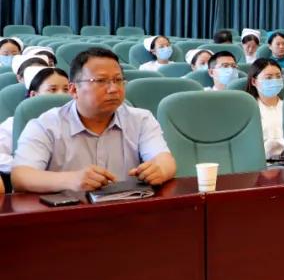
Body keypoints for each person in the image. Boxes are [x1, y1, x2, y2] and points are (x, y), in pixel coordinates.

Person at [12, 48, 176, 193]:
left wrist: (159, 170)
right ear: (73, 90)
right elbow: (21, 176)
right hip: (69, 211)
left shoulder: (141, 119)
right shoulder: (45, 125)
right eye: (101, 81)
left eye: (118, 80)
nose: (113, 89)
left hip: (127, 208)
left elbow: (164, 160)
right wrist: (71, 180)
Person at [0, 67, 70, 176]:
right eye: (53, 90)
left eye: (66, 90)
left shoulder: (79, 120)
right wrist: (28, 167)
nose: (62, 95)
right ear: (33, 95)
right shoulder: (15, 123)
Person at [245, 58, 284, 162]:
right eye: (268, 77)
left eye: (278, 76)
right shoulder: (247, 109)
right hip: (258, 164)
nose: (275, 81)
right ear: (254, 81)